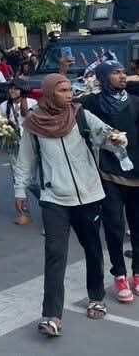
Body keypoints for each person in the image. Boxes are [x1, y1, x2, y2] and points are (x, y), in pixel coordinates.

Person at [14, 74, 122, 336]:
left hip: (88, 195)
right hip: (54, 198)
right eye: (62, 90)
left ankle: (96, 297)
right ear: (50, 93)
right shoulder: (33, 123)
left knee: (93, 249)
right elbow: (25, 159)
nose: (69, 94)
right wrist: (20, 189)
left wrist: (116, 139)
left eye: (70, 89)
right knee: (55, 254)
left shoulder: (81, 116)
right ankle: (52, 316)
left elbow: (105, 135)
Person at [78, 61, 139, 304]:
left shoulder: (135, 102)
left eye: (124, 72)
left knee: (137, 227)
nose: (122, 76)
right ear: (103, 78)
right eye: (116, 72)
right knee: (114, 227)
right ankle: (120, 274)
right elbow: (67, 105)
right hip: (107, 173)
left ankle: (137, 272)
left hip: (135, 172)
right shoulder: (92, 102)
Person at [0, 79, 40, 225]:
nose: (12, 91)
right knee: (17, 179)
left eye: (16, 89)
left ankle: (48, 201)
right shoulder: (4, 105)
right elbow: (1, 123)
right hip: (13, 145)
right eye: (11, 89)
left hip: (29, 145)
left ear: (22, 90)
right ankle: (24, 213)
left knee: (29, 180)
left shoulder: (31, 103)